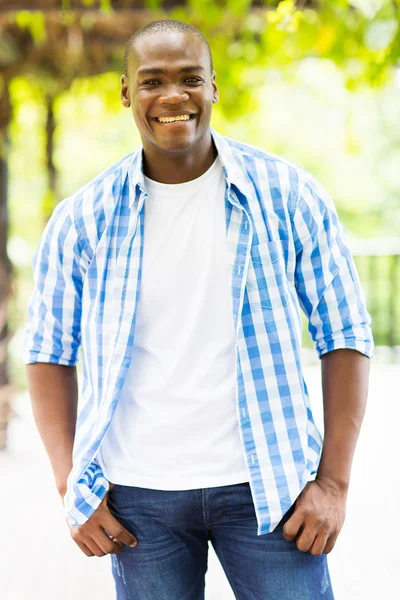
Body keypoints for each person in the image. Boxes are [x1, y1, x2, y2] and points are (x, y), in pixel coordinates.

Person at [22, 18, 373, 600]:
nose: (173, 96)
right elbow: (47, 354)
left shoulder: (288, 195)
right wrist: (70, 489)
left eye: (190, 78)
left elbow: (346, 334)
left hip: (271, 493)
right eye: (153, 81)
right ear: (127, 93)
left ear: (213, 88)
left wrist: (333, 483)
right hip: (139, 501)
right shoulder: (83, 218)